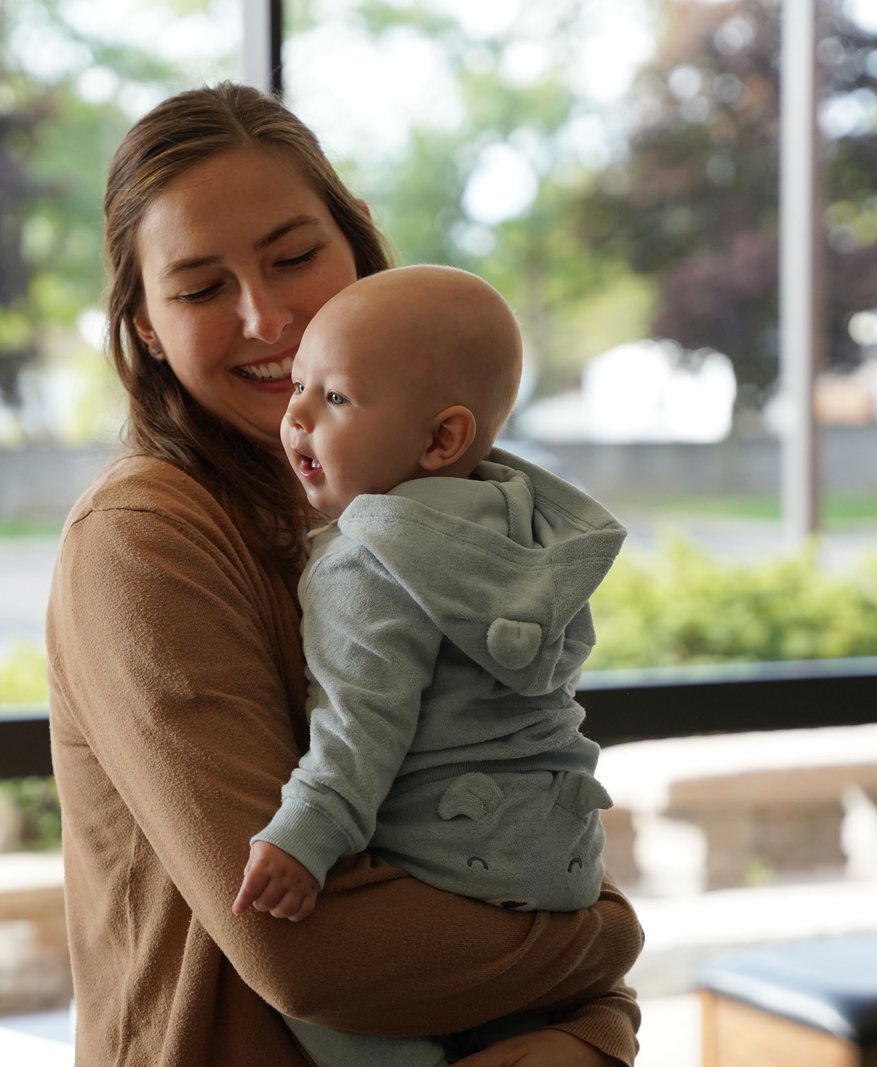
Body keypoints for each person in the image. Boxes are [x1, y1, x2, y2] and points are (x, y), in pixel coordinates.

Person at [46, 82, 645, 1067]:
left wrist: (590, 1029)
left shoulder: (428, 499)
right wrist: (605, 940)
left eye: (292, 258)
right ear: (145, 325)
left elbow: (527, 811)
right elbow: (304, 946)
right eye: (200, 289)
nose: (266, 315)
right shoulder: (143, 537)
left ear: (358, 242)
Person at [230, 265, 626, 1067]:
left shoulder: (366, 562)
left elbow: (361, 721)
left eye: (333, 398)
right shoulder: (523, 531)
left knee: (306, 992)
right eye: (300, 386)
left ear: (440, 438)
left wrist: (306, 836)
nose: (295, 414)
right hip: (564, 861)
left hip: (445, 866)